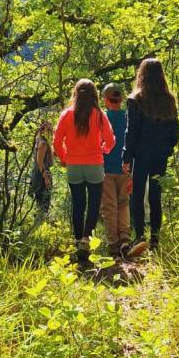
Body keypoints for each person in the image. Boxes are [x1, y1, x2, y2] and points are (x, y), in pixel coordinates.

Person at [122, 58, 179, 257]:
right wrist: (167, 149)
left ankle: (139, 237)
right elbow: (175, 133)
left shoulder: (135, 100)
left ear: (141, 74)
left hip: (140, 154)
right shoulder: (168, 100)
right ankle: (155, 239)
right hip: (160, 155)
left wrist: (126, 156)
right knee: (156, 196)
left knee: (137, 195)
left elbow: (131, 132)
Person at [53, 79, 115, 262]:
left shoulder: (67, 114)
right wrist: (104, 150)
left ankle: (78, 239)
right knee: (94, 205)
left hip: (73, 166)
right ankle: (86, 240)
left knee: (78, 204)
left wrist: (65, 159)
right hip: (95, 165)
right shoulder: (99, 115)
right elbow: (110, 140)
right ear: (94, 95)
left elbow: (56, 142)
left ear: (75, 94)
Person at [100, 83, 131, 258]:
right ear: (121, 100)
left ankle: (113, 244)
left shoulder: (101, 117)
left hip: (105, 169)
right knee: (124, 203)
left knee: (109, 206)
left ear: (105, 100)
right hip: (125, 168)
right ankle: (125, 239)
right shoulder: (128, 117)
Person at [28, 121, 53, 217]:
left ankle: (40, 221)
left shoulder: (39, 140)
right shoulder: (42, 143)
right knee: (43, 200)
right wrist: (46, 177)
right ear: (42, 131)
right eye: (48, 129)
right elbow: (39, 161)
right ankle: (40, 221)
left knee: (40, 200)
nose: (50, 132)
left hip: (38, 173)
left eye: (51, 130)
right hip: (41, 174)